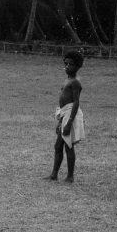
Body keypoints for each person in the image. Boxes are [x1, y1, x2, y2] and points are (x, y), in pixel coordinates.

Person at [45, 51, 85, 183]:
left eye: (71, 64)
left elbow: (76, 103)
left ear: (78, 66)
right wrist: (61, 122)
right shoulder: (67, 80)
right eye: (66, 64)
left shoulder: (75, 82)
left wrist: (69, 123)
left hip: (70, 115)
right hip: (65, 115)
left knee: (68, 146)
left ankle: (70, 176)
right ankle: (54, 174)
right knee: (58, 146)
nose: (67, 66)